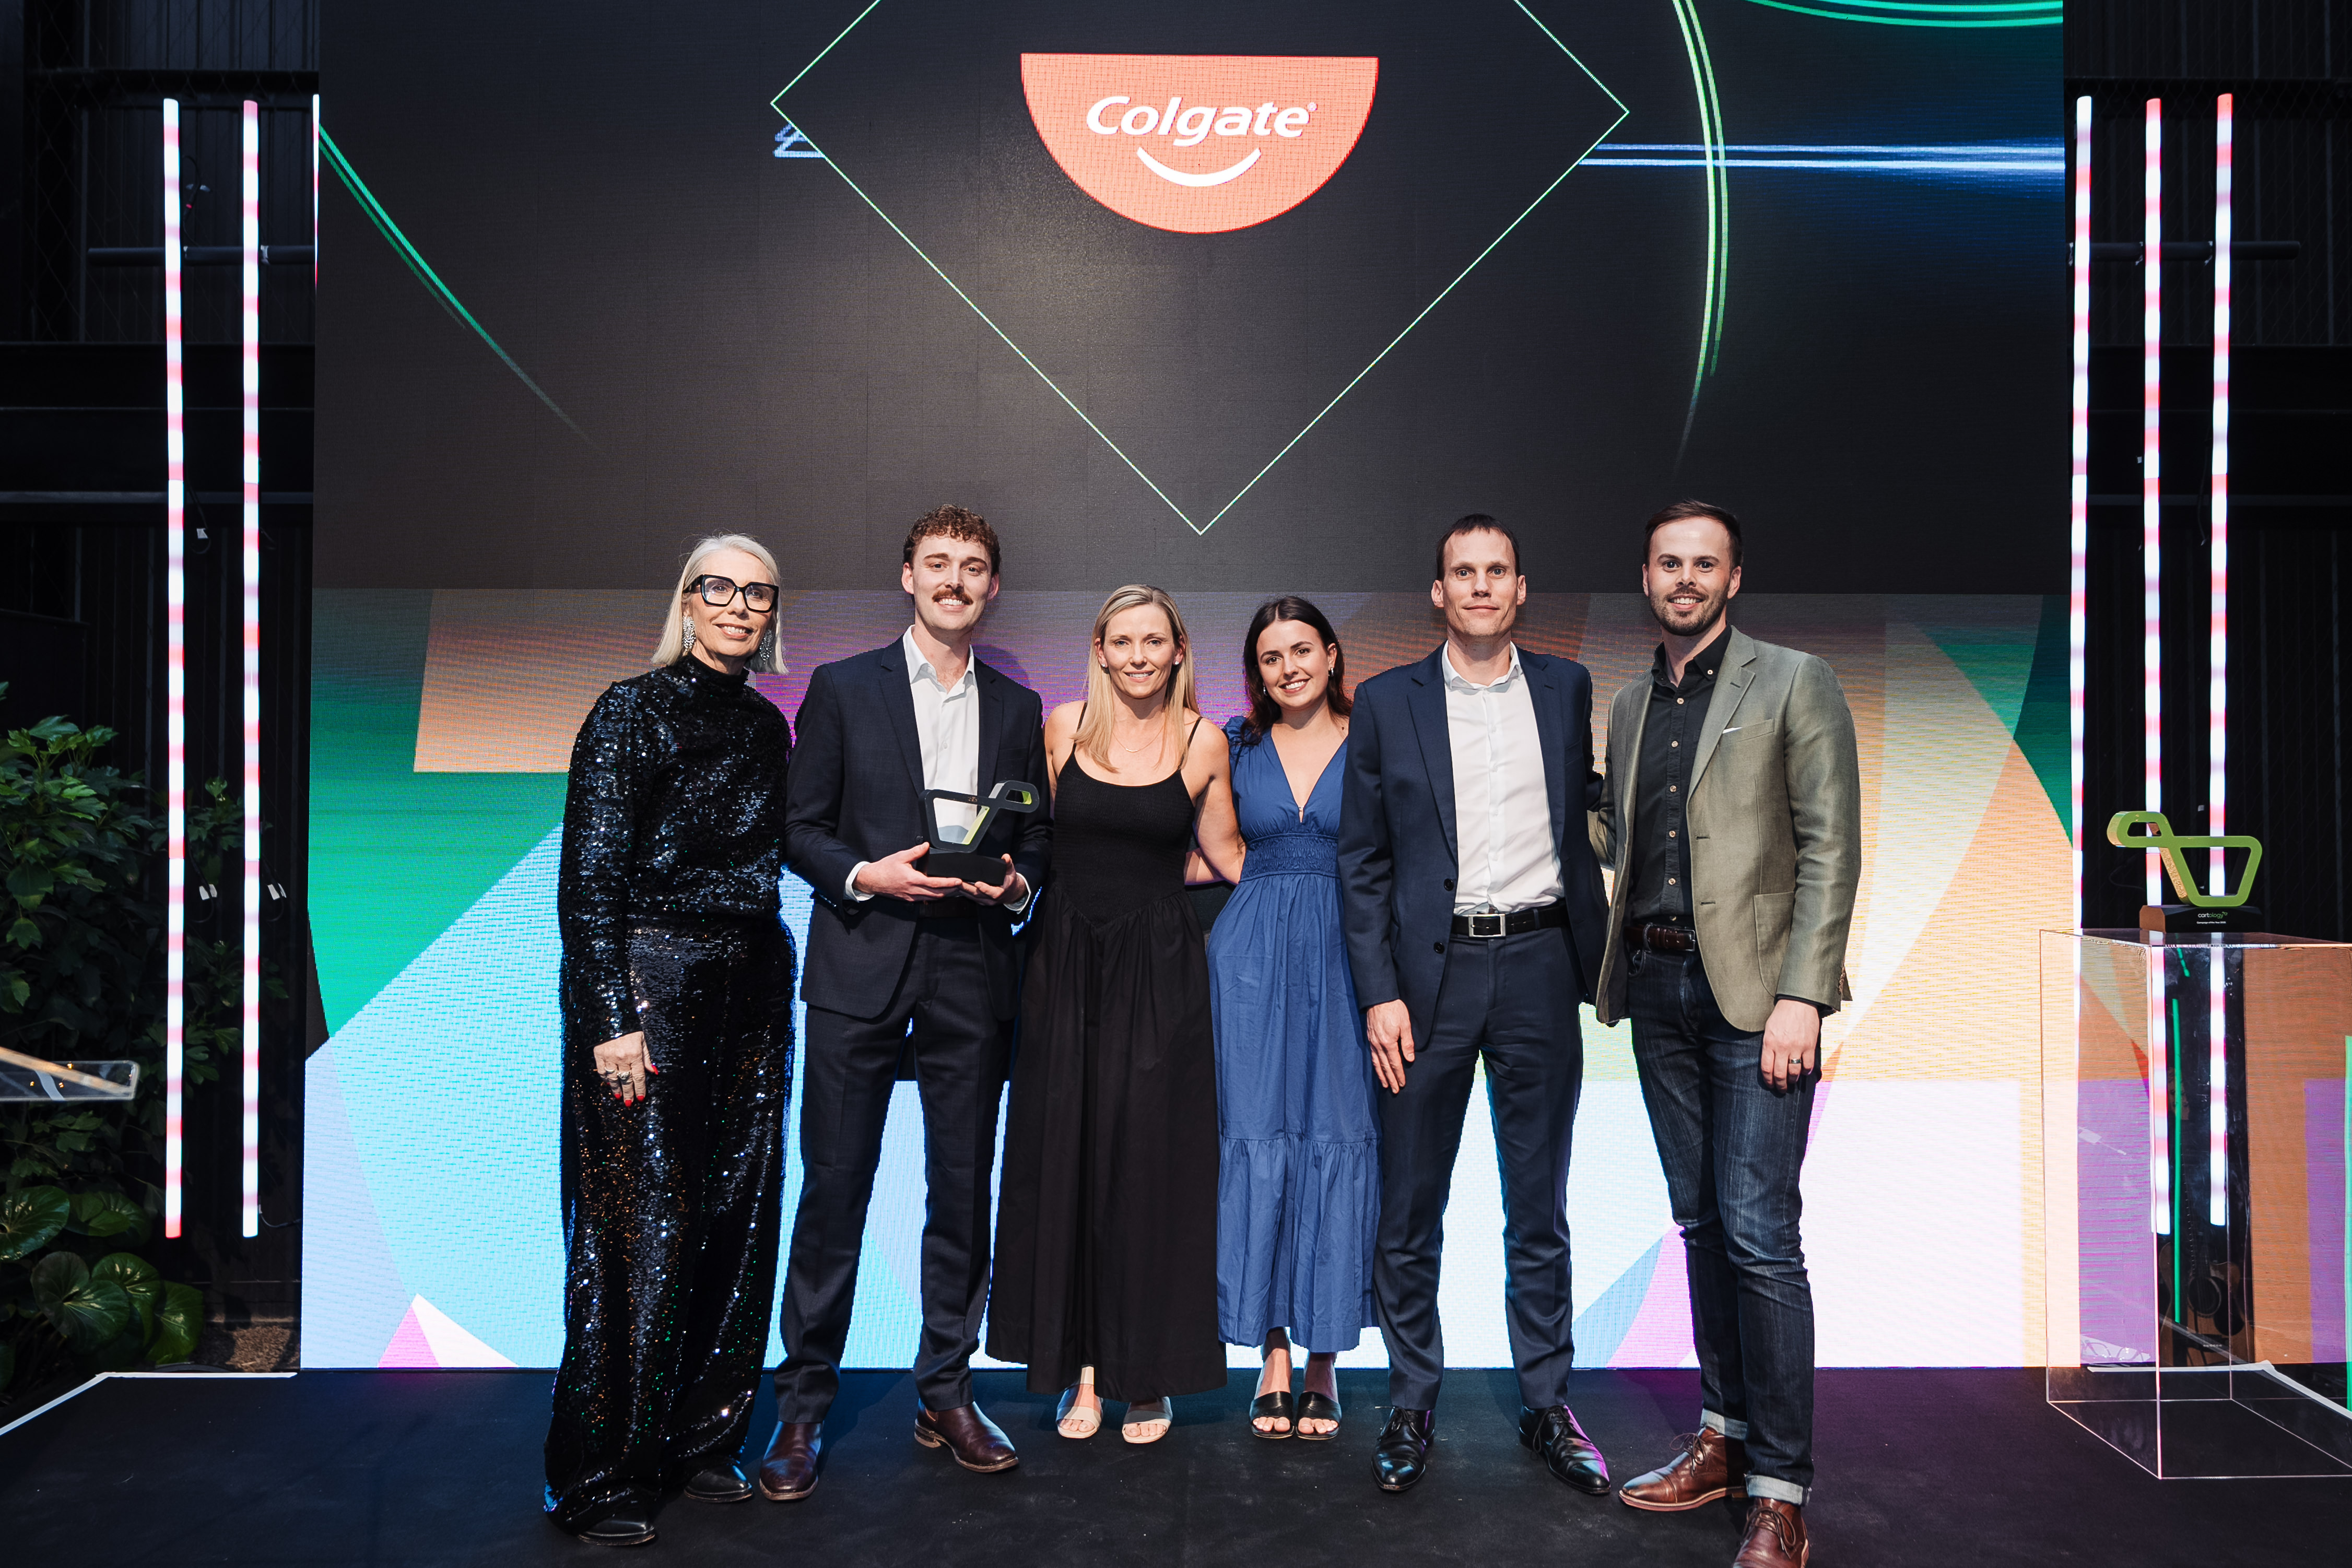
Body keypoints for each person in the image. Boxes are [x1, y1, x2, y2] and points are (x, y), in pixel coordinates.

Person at [761, 505, 1052, 1499]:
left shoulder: (1018, 707)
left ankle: (946, 1388)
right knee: (833, 1189)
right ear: (907, 576)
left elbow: (1037, 840)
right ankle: (801, 1412)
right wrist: (868, 878)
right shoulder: (843, 689)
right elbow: (801, 828)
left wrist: (1013, 887)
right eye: (939, 565)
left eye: (974, 568)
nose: (955, 582)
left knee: (962, 1192)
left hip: (973, 972)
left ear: (994, 589)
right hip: (859, 966)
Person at [1591, 500, 1860, 1568]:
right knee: (1700, 1223)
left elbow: (1828, 848)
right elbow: (1614, 827)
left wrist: (1804, 991)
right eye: (1668, 561)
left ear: (1733, 578)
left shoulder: (1795, 680)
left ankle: (1780, 1491)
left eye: (1704, 563)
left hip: (1758, 1002)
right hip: (1655, 987)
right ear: (1645, 574)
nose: (1685, 578)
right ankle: (1724, 1433)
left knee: (1758, 1235)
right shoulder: (1625, 702)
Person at [1337, 515, 1613, 1497]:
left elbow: (1587, 816)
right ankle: (1412, 1397)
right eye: (1465, 572)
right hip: (1428, 982)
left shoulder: (1567, 688)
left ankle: (1547, 1402)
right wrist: (1379, 994)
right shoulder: (1384, 702)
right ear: (1438, 593)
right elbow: (1362, 861)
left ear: (1521, 588)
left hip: (1540, 966)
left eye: (1498, 571)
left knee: (1539, 1209)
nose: (1483, 586)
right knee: (1411, 1207)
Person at [544, 534, 797, 1547]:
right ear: (687, 599)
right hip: (651, 978)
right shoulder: (628, 709)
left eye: (759, 592)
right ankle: (603, 1473)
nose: (741, 605)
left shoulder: (766, 725)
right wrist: (608, 1013)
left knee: (737, 1214)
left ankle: (701, 1440)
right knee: (636, 1225)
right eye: (721, 586)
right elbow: (588, 880)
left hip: (754, 983)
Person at [989, 584, 1246, 1445]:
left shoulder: (1205, 741)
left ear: (1179, 651)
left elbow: (1227, 858)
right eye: (1122, 641)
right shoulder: (1060, 730)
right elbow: (1031, 845)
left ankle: (1148, 1378)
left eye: (1155, 641)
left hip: (1162, 972)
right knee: (1068, 1161)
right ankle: (1085, 1373)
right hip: (1063, 964)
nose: (1139, 656)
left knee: (1150, 1169)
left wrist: (1322, 876)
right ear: (1099, 651)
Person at [1206, 597, 1380, 1441]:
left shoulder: (1374, 737)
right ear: (1258, 671)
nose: (1289, 668)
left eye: (1302, 650)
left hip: (1352, 952)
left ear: (1333, 654)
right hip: (1251, 959)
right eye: (1272, 657)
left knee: (1337, 1138)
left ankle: (1324, 1360)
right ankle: (1272, 1352)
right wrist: (1267, 893)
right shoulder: (1233, 745)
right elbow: (1222, 844)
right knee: (1257, 1135)